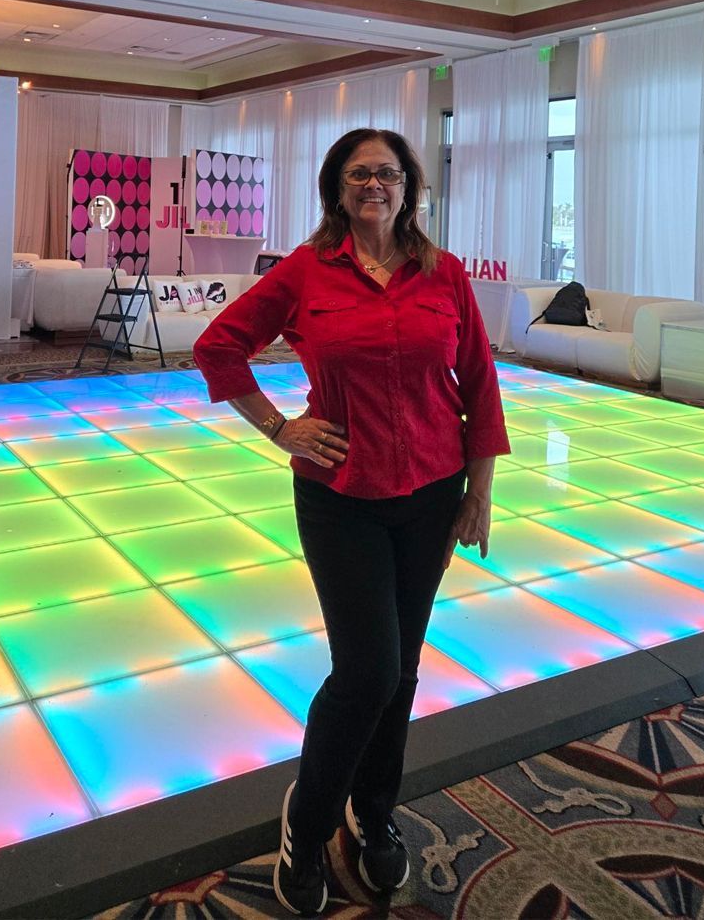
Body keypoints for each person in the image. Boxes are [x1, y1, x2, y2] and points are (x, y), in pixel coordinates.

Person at [193, 128, 509, 917]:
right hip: (340, 493)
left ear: (410, 188)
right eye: (361, 173)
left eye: (390, 173)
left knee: (399, 672)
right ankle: (308, 819)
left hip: (432, 490)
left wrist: (480, 486)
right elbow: (218, 345)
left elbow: (477, 378)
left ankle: (373, 808)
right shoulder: (306, 271)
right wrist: (278, 426)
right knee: (367, 668)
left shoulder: (444, 275)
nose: (377, 184)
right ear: (339, 187)